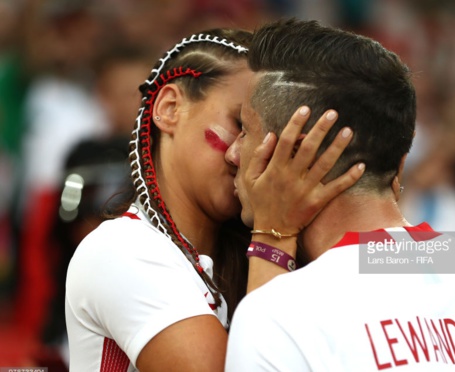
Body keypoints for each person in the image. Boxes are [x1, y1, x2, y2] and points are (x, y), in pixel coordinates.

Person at [224, 18, 455, 371]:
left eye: (244, 130)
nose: (232, 153)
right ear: (398, 167)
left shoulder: (281, 319)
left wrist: (270, 238)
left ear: (297, 156)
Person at [65, 27, 363, 371]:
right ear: (170, 107)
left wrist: (376, 181)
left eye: (269, 136)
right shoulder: (120, 249)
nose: (246, 154)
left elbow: (418, 257)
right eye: (241, 123)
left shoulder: (248, 246)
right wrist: (273, 232)